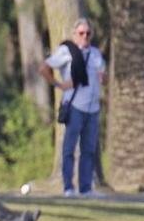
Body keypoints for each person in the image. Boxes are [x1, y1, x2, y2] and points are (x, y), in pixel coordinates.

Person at [39, 18, 107, 196]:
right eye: (81, 33)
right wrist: (58, 85)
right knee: (69, 148)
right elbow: (44, 67)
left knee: (89, 150)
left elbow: (103, 76)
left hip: (93, 108)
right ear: (74, 34)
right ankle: (68, 187)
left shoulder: (95, 54)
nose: (85, 36)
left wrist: (103, 78)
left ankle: (86, 188)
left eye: (88, 33)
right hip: (75, 106)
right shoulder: (66, 51)